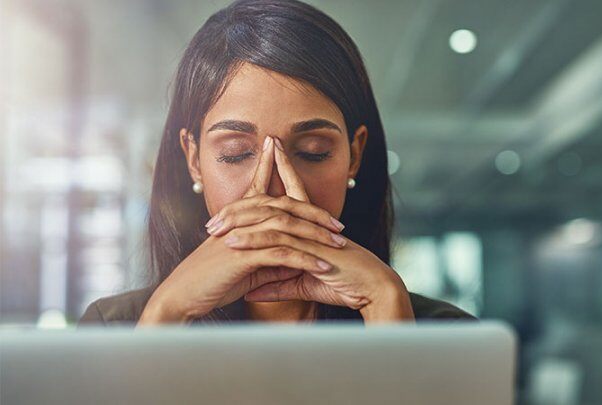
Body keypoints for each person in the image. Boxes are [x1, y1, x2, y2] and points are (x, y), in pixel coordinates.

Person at [79, 0, 476, 326]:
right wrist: (167, 313)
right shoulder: (117, 326)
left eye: (313, 151)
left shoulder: (444, 333)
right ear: (194, 160)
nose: (275, 189)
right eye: (236, 153)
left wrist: (387, 308)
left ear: (354, 156)